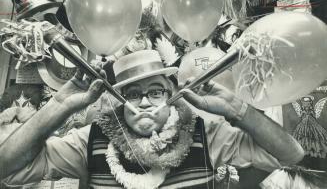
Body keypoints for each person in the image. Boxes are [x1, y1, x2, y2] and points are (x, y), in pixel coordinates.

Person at [0, 50, 304, 189]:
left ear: (172, 95)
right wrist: (58, 106)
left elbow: (290, 154)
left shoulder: (205, 132)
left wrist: (237, 110)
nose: (144, 101)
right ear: (118, 101)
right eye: (132, 94)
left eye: (156, 92)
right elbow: (7, 167)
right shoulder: (91, 139)